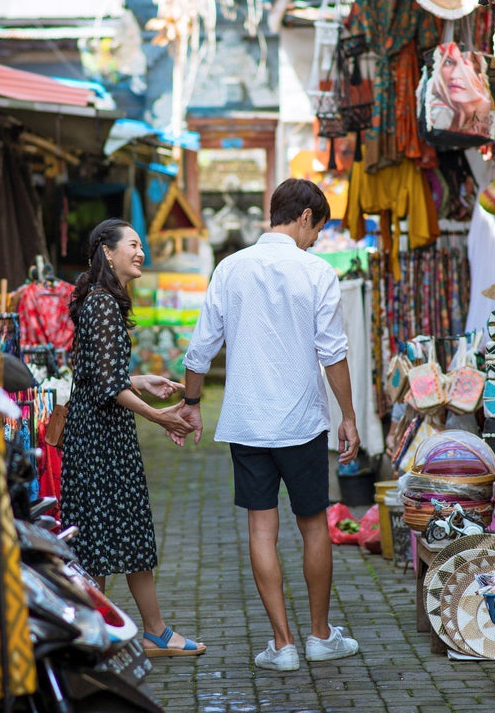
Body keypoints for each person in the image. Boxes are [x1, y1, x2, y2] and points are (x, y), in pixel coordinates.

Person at [175, 178, 360, 671]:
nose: (315, 240)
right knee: (313, 525)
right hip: (301, 422)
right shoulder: (317, 272)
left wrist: (191, 402)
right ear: (304, 217)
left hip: (247, 422)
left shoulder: (230, 268)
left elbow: (200, 347)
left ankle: (282, 645)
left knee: (261, 528)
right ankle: (320, 636)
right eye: (316, 230)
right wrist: (348, 416)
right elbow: (333, 354)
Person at [60, 218, 206, 658]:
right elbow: (107, 385)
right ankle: (96, 640)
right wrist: (160, 417)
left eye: (141, 246)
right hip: (100, 440)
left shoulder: (99, 299)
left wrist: (139, 380)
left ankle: (142, 633)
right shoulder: (103, 303)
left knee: (116, 536)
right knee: (102, 540)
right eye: (133, 245)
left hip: (99, 435)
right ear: (107, 252)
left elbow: (97, 373)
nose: (141, 252)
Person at [428, 42, 495, 138]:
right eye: (448, 62)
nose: (454, 74)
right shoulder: (457, 115)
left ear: (480, 77)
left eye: (464, 64)